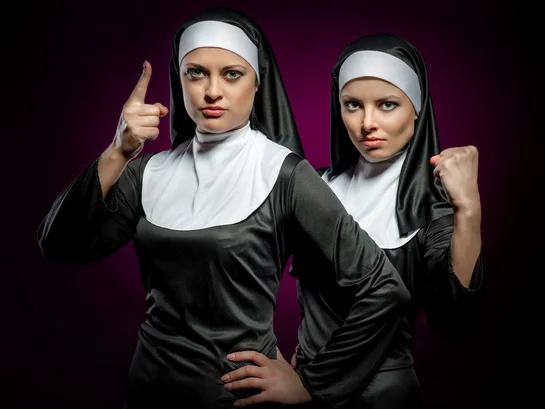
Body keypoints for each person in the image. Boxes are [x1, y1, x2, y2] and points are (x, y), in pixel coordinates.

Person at [36, 8, 412, 409]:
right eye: (195, 73)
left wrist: (313, 385)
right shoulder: (149, 172)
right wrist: (117, 152)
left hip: (237, 399)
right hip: (147, 388)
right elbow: (59, 244)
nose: (212, 91)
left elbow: (383, 290)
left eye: (232, 74)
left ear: (256, 82)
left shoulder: (284, 175)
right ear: (179, 80)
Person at [223, 33, 484, 408]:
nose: (367, 123)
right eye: (353, 105)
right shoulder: (316, 185)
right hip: (307, 388)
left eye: (388, 104)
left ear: (417, 107)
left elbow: (456, 322)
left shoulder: (432, 208)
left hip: (382, 396)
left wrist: (468, 211)